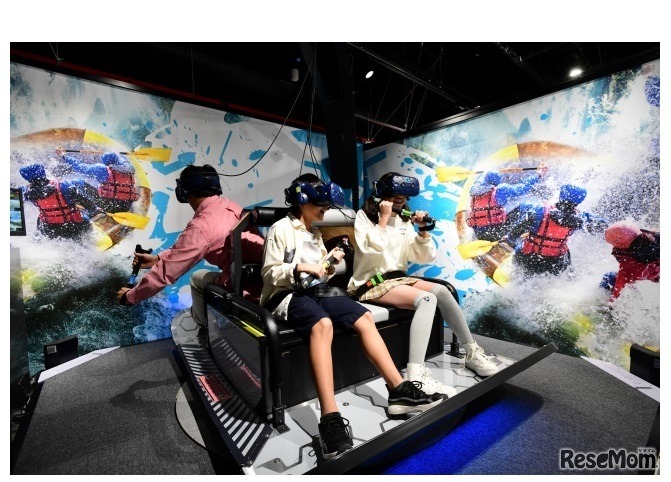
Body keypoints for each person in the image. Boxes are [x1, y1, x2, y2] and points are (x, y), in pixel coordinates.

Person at [260, 173, 445, 460]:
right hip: (286, 295)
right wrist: (300, 268)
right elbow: (270, 272)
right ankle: (330, 418)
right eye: (321, 204)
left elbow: (322, 274)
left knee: (364, 317)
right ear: (302, 201)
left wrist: (329, 264)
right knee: (322, 324)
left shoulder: (315, 233)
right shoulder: (280, 228)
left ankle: (399, 391)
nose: (325, 209)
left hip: (316, 292)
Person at [348, 172, 499, 396]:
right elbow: (370, 251)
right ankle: (416, 374)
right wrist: (383, 219)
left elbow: (421, 256)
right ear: (381, 193)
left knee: (443, 292)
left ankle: (471, 352)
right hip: (372, 282)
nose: (400, 199)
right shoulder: (364, 217)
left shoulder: (403, 220)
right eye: (396, 195)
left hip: (397, 279)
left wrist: (423, 231)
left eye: (404, 197)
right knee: (426, 299)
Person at [117, 164, 264, 331]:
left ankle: (203, 330)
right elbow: (183, 250)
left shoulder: (202, 226)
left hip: (242, 288)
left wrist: (130, 297)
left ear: (184, 191)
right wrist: (157, 258)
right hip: (262, 281)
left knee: (197, 278)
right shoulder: (231, 206)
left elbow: (167, 272)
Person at [508, 183, 606, 276]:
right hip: (554, 264)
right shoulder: (581, 218)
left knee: (519, 247)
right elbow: (602, 224)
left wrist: (510, 239)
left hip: (530, 260)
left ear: (561, 195)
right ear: (580, 201)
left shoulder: (539, 211)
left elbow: (513, 234)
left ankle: (516, 272)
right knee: (565, 253)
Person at [19, 163, 98, 240]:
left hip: (50, 231)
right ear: (43, 172)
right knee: (85, 218)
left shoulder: (26, 192)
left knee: (40, 220)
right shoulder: (64, 186)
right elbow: (89, 204)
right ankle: (89, 240)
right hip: (73, 228)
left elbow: (15, 199)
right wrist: (94, 210)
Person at [467, 166, 547, 242]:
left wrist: (486, 173)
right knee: (525, 207)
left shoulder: (474, 190)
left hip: (479, 234)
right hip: (496, 233)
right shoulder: (500, 190)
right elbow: (523, 187)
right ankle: (512, 238)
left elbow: (481, 178)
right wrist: (538, 174)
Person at [60, 151, 139, 213]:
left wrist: (64, 156)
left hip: (109, 206)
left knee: (79, 183)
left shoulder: (102, 169)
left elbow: (80, 166)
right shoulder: (129, 170)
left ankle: (91, 209)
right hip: (126, 206)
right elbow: (124, 162)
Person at [601, 221, 660, 299]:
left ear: (621, 245)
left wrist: (612, 302)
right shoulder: (653, 238)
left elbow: (621, 283)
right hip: (654, 276)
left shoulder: (628, 259)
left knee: (608, 277)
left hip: (645, 282)